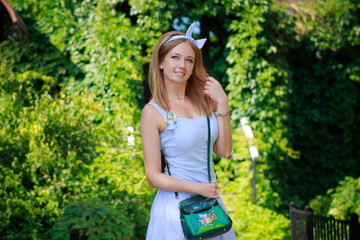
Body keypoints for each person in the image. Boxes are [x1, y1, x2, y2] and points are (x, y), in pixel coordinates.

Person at [140, 23, 236, 240]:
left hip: (210, 207)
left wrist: (223, 103)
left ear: (194, 67)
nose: (182, 64)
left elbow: (224, 151)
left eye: (189, 60)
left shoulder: (205, 102)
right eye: (175, 57)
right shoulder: (152, 112)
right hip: (176, 211)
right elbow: (153, 176)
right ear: (161, 62)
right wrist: (198, 188)